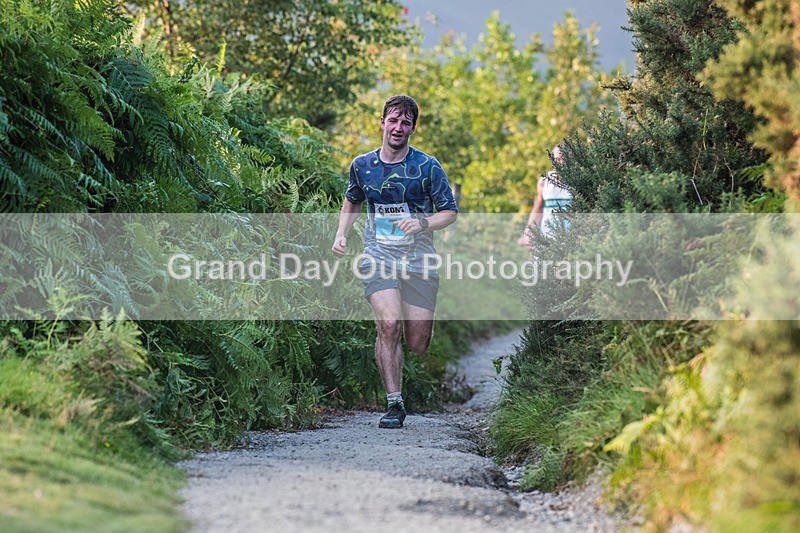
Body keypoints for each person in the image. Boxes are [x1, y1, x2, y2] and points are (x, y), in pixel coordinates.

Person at [332, 95, 458, 429]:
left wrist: (423, 223)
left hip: (419, 261)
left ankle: (415, 321)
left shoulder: (428, 167)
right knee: (388, 324)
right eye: (393, 120)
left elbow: (450, 212)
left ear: (413, 128)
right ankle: (394, 403)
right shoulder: (362, 165)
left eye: (406, 123)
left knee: (417, 343)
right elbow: (352, 200)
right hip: (379, 256)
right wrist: (341, 233)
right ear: (382, 123)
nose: (398, 128)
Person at [518, 144, 573, 251]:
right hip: (547, 237)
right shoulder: (544, 181)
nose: (560, 163)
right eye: (556, 159)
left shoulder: (581, 181)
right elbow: (538, 208)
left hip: (572, 238)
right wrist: (528, 233)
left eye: (563, 159)